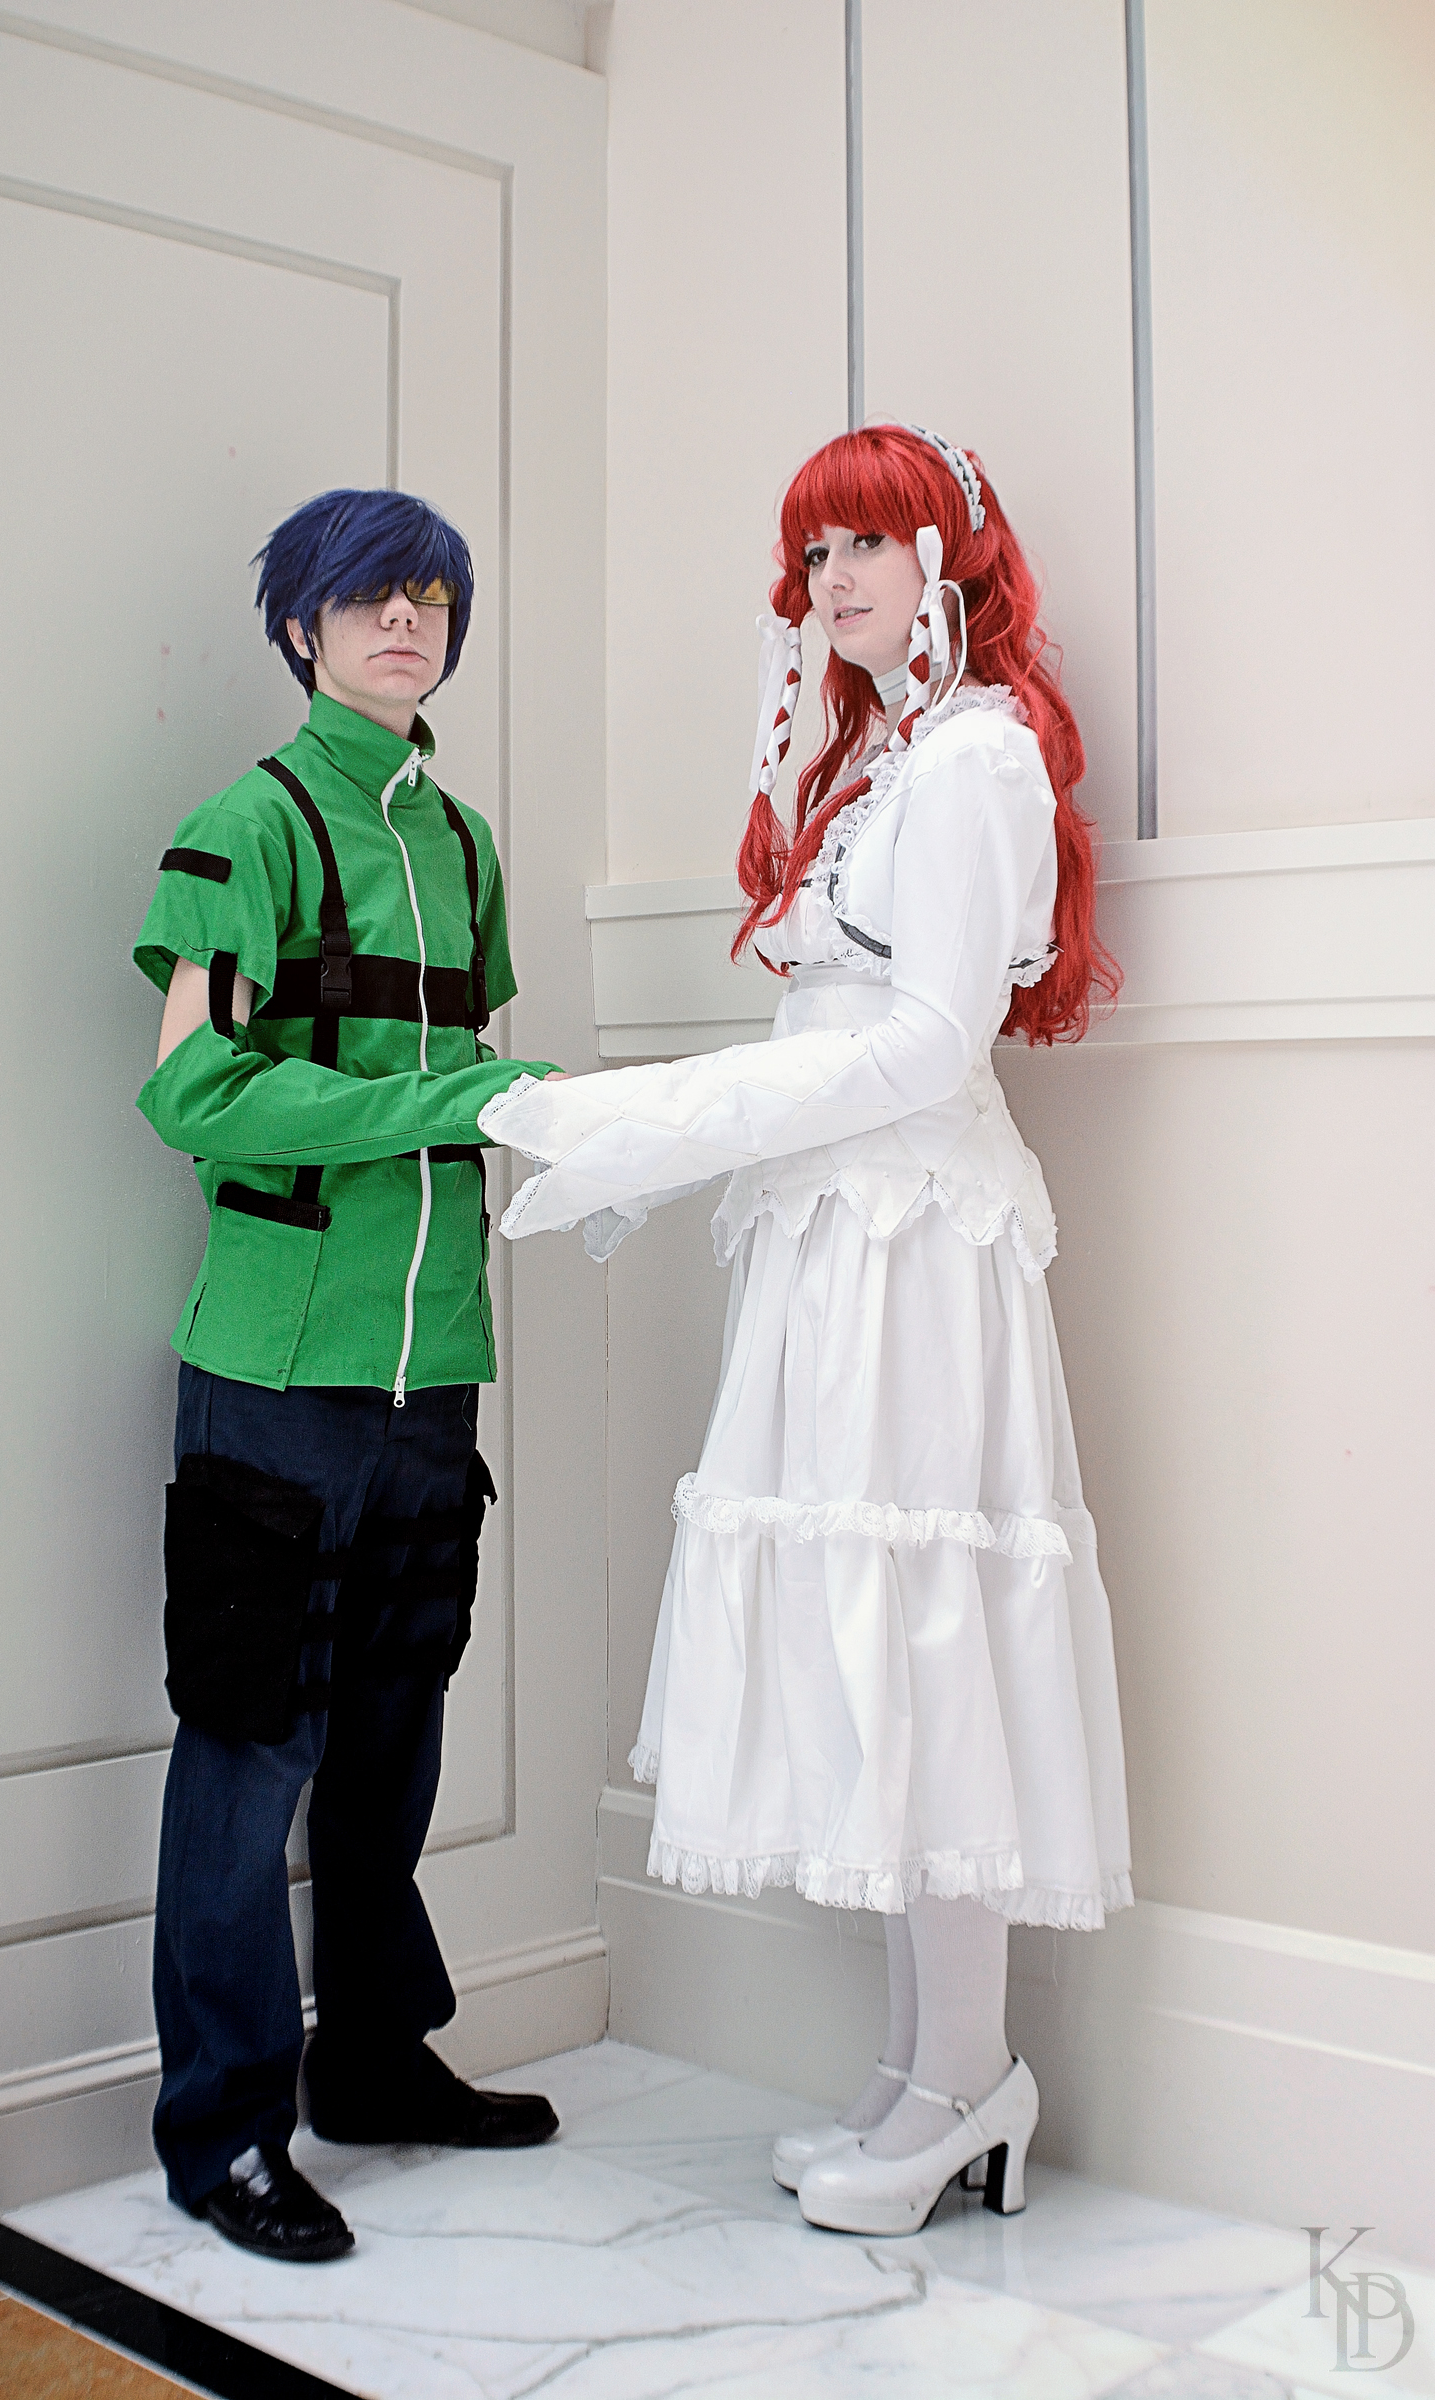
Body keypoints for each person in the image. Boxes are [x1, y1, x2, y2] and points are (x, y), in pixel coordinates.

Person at [478, 425, 1134, 2238]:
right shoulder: (884, 757)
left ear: (946, 561)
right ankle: (932, 2070)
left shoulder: (977, 754)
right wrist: (670, 1140)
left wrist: (656, 1121)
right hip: (840, 1231)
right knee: (875, 1643)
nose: (835, 580)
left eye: (870, 545)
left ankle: (963, 2079)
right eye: (816, 553)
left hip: (915, 1236)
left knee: (922, 1637)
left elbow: (925, 1045)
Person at [133, 487, 562, 2265]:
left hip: (433, 1368)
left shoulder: (463, 844)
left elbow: (486, 1082)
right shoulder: (247, 825)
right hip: (276, 1369)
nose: (406, 621)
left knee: (393, 1738)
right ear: (302, 628)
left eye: (431, 598)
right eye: (371, 595)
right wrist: (443, 1101)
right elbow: (192, 1092)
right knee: (252, 1754)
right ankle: (221, 2132)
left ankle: (374, 2064)